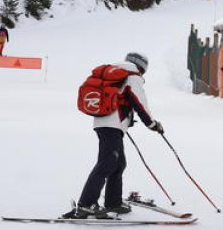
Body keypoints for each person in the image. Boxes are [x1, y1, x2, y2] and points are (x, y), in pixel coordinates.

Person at [64, 52, 164, 220]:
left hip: (104, 122)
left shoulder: (114, 73)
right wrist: (152, 124)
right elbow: (139, 102)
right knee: (107, 163)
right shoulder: (132, 76)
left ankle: (113, 202)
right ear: (142, 67)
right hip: (113, 124)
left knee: (118, 164)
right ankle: (86, 205)